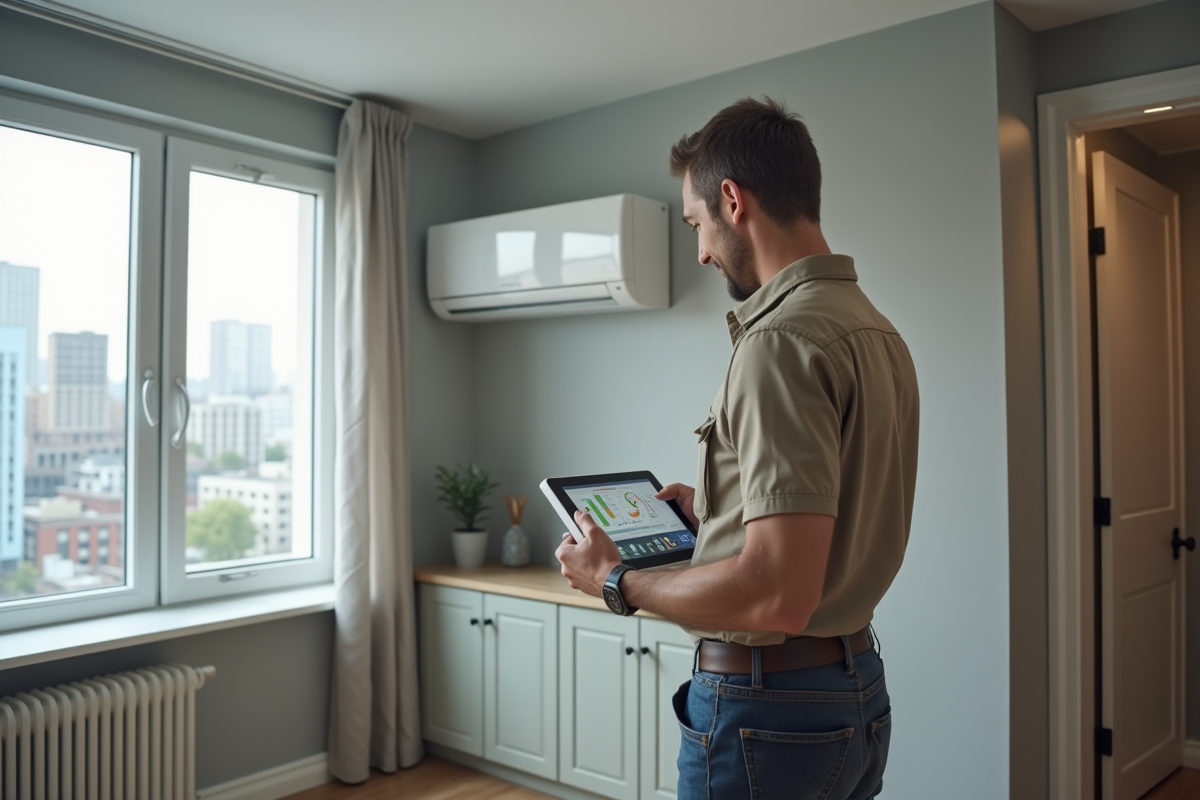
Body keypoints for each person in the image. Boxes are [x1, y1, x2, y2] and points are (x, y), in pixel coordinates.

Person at [556, 96, 919, 800]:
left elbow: (780, 593)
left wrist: (617, 581)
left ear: (732, 199)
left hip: (770, 712)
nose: (699, 250)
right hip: (855, 693)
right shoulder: (875, 330)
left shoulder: (779, 341)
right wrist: (722, 511)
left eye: (697, 223)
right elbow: (830, 514)